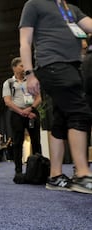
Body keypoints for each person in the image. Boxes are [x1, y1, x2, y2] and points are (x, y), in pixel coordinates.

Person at [19, 0, 92, 194]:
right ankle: (83, 175)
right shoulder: (34, 4)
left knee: (61, 118)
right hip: (52, 64)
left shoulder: (71, 8)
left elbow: (89, 25)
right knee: (79, 112)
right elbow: (25, 41)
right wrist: (29, 73)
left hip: (73, 66)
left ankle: (55, 176)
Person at [2, 57, 42, 183]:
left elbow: (39, 98)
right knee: (17, 143)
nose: (24, 68)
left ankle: (38, 170)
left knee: (36, 141)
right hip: (16, 114)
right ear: (14, 68)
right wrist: (22, 112)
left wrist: (30, 109)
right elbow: (7, 102)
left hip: (32, 113)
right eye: (21, 66)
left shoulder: (31, 81)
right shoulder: (8, 83)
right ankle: (18, 171)